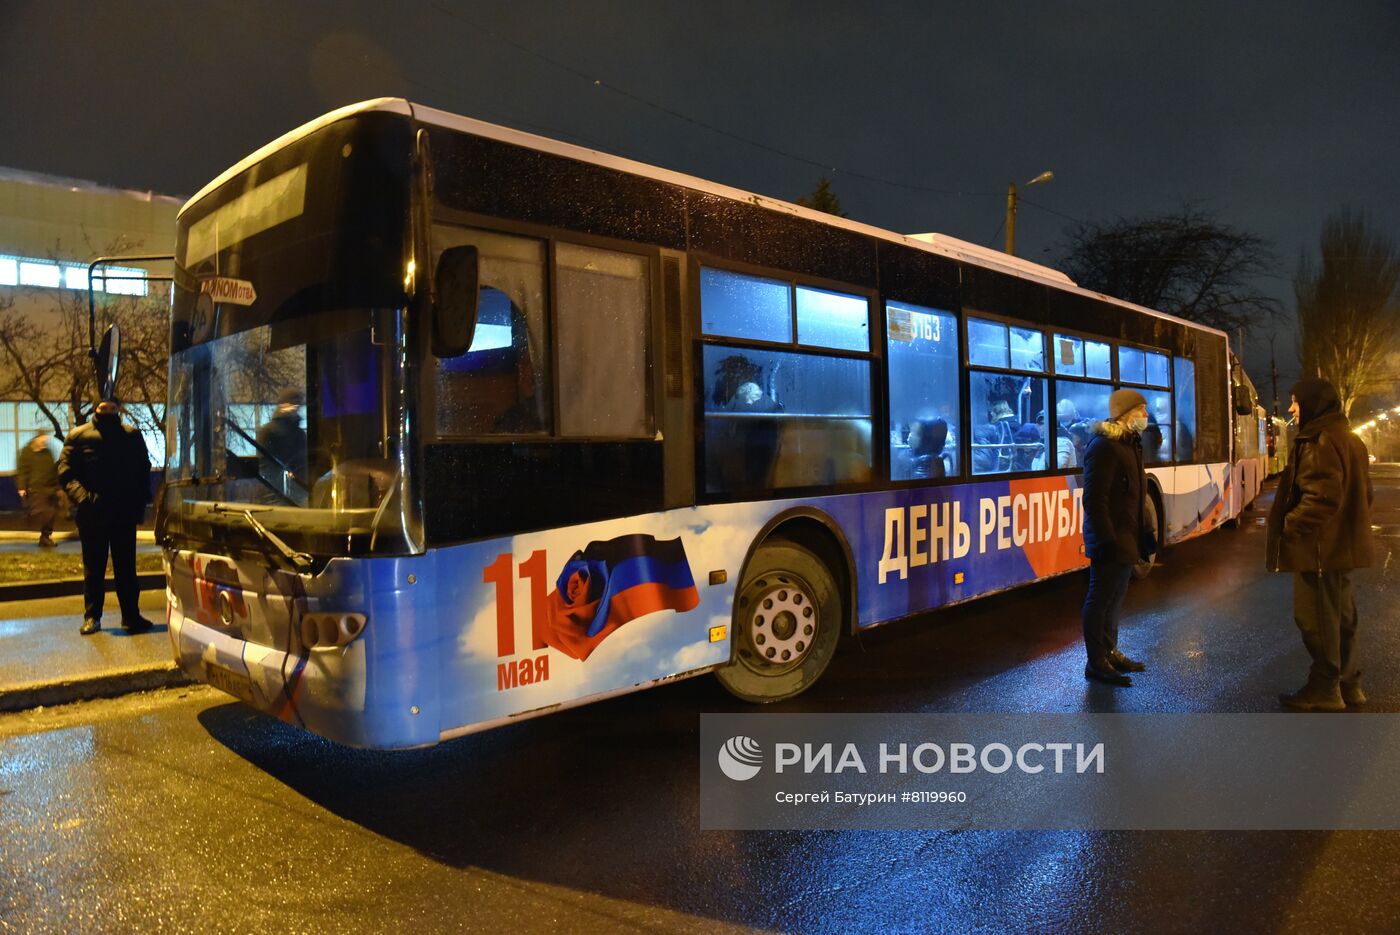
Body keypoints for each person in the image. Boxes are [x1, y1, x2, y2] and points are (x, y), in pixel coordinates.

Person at [1266, 377, 1374, 711]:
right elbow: (1363, 495)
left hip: (1319, 548)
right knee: (1341, 616)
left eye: (1296, 401)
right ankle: (1348, 684)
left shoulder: (1318, 439)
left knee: (1316, 619)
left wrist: (1288, 525)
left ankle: (1325, 688)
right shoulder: (1348, 438)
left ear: (1313, 403)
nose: (1291, 409)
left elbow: (1321, 497)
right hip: (1340, 546)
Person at [59, 397, 154, 636]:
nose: (109, 411)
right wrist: (83, 498)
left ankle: (130, 616)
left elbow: (143, 469)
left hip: (123, 513)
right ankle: (92, 616)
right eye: (104, 408)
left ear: (119, 409)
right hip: (93, 514)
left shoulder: (131, 435)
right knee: (94, 568)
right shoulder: (79, 436)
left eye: (113, 408)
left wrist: (141, 502)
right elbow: (65, 471)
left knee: (126, 569)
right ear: (96, 408)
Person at [1080, 388, 1154, 686]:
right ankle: (1096, 662)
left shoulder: (1130, 444)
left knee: (1116, 597)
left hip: (1127, 537)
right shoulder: (1104, 447)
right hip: (1110, 540)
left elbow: (1136, 495)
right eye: (1142, 411)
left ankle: (1110, 651)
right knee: (1100, 599)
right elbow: (1094, 500)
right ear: (1126, 414)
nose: (1147, 417)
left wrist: (1145, 532)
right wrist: (1107, 539)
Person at [256, 389, 308, 500]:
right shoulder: (269, 432)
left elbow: (304, 465)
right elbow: (266, 468)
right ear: (282, 405)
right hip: (275, 495)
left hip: (296, 495)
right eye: (291, 404)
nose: (295, 408)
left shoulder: (300, 434)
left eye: (297, 405)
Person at [16, 431, 60, 548]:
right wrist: (21, 486)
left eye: (46, 439)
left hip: (50, 487)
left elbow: (52, 469)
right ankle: (44, 536)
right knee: (45, 512)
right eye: (43, 439)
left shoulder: (47, 452)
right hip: (36, 488)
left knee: (51, 512)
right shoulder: (27, 452)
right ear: (37, 438)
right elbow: (22, 470)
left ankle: (45, 537)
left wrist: (57, 485)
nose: (45, 441)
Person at [973, 400, 1019, 473]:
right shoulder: (1017, 424)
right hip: (1015, 461)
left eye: (992, 411)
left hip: (1000, 463)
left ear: (998, 412)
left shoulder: (999, 426)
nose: (991, 413)